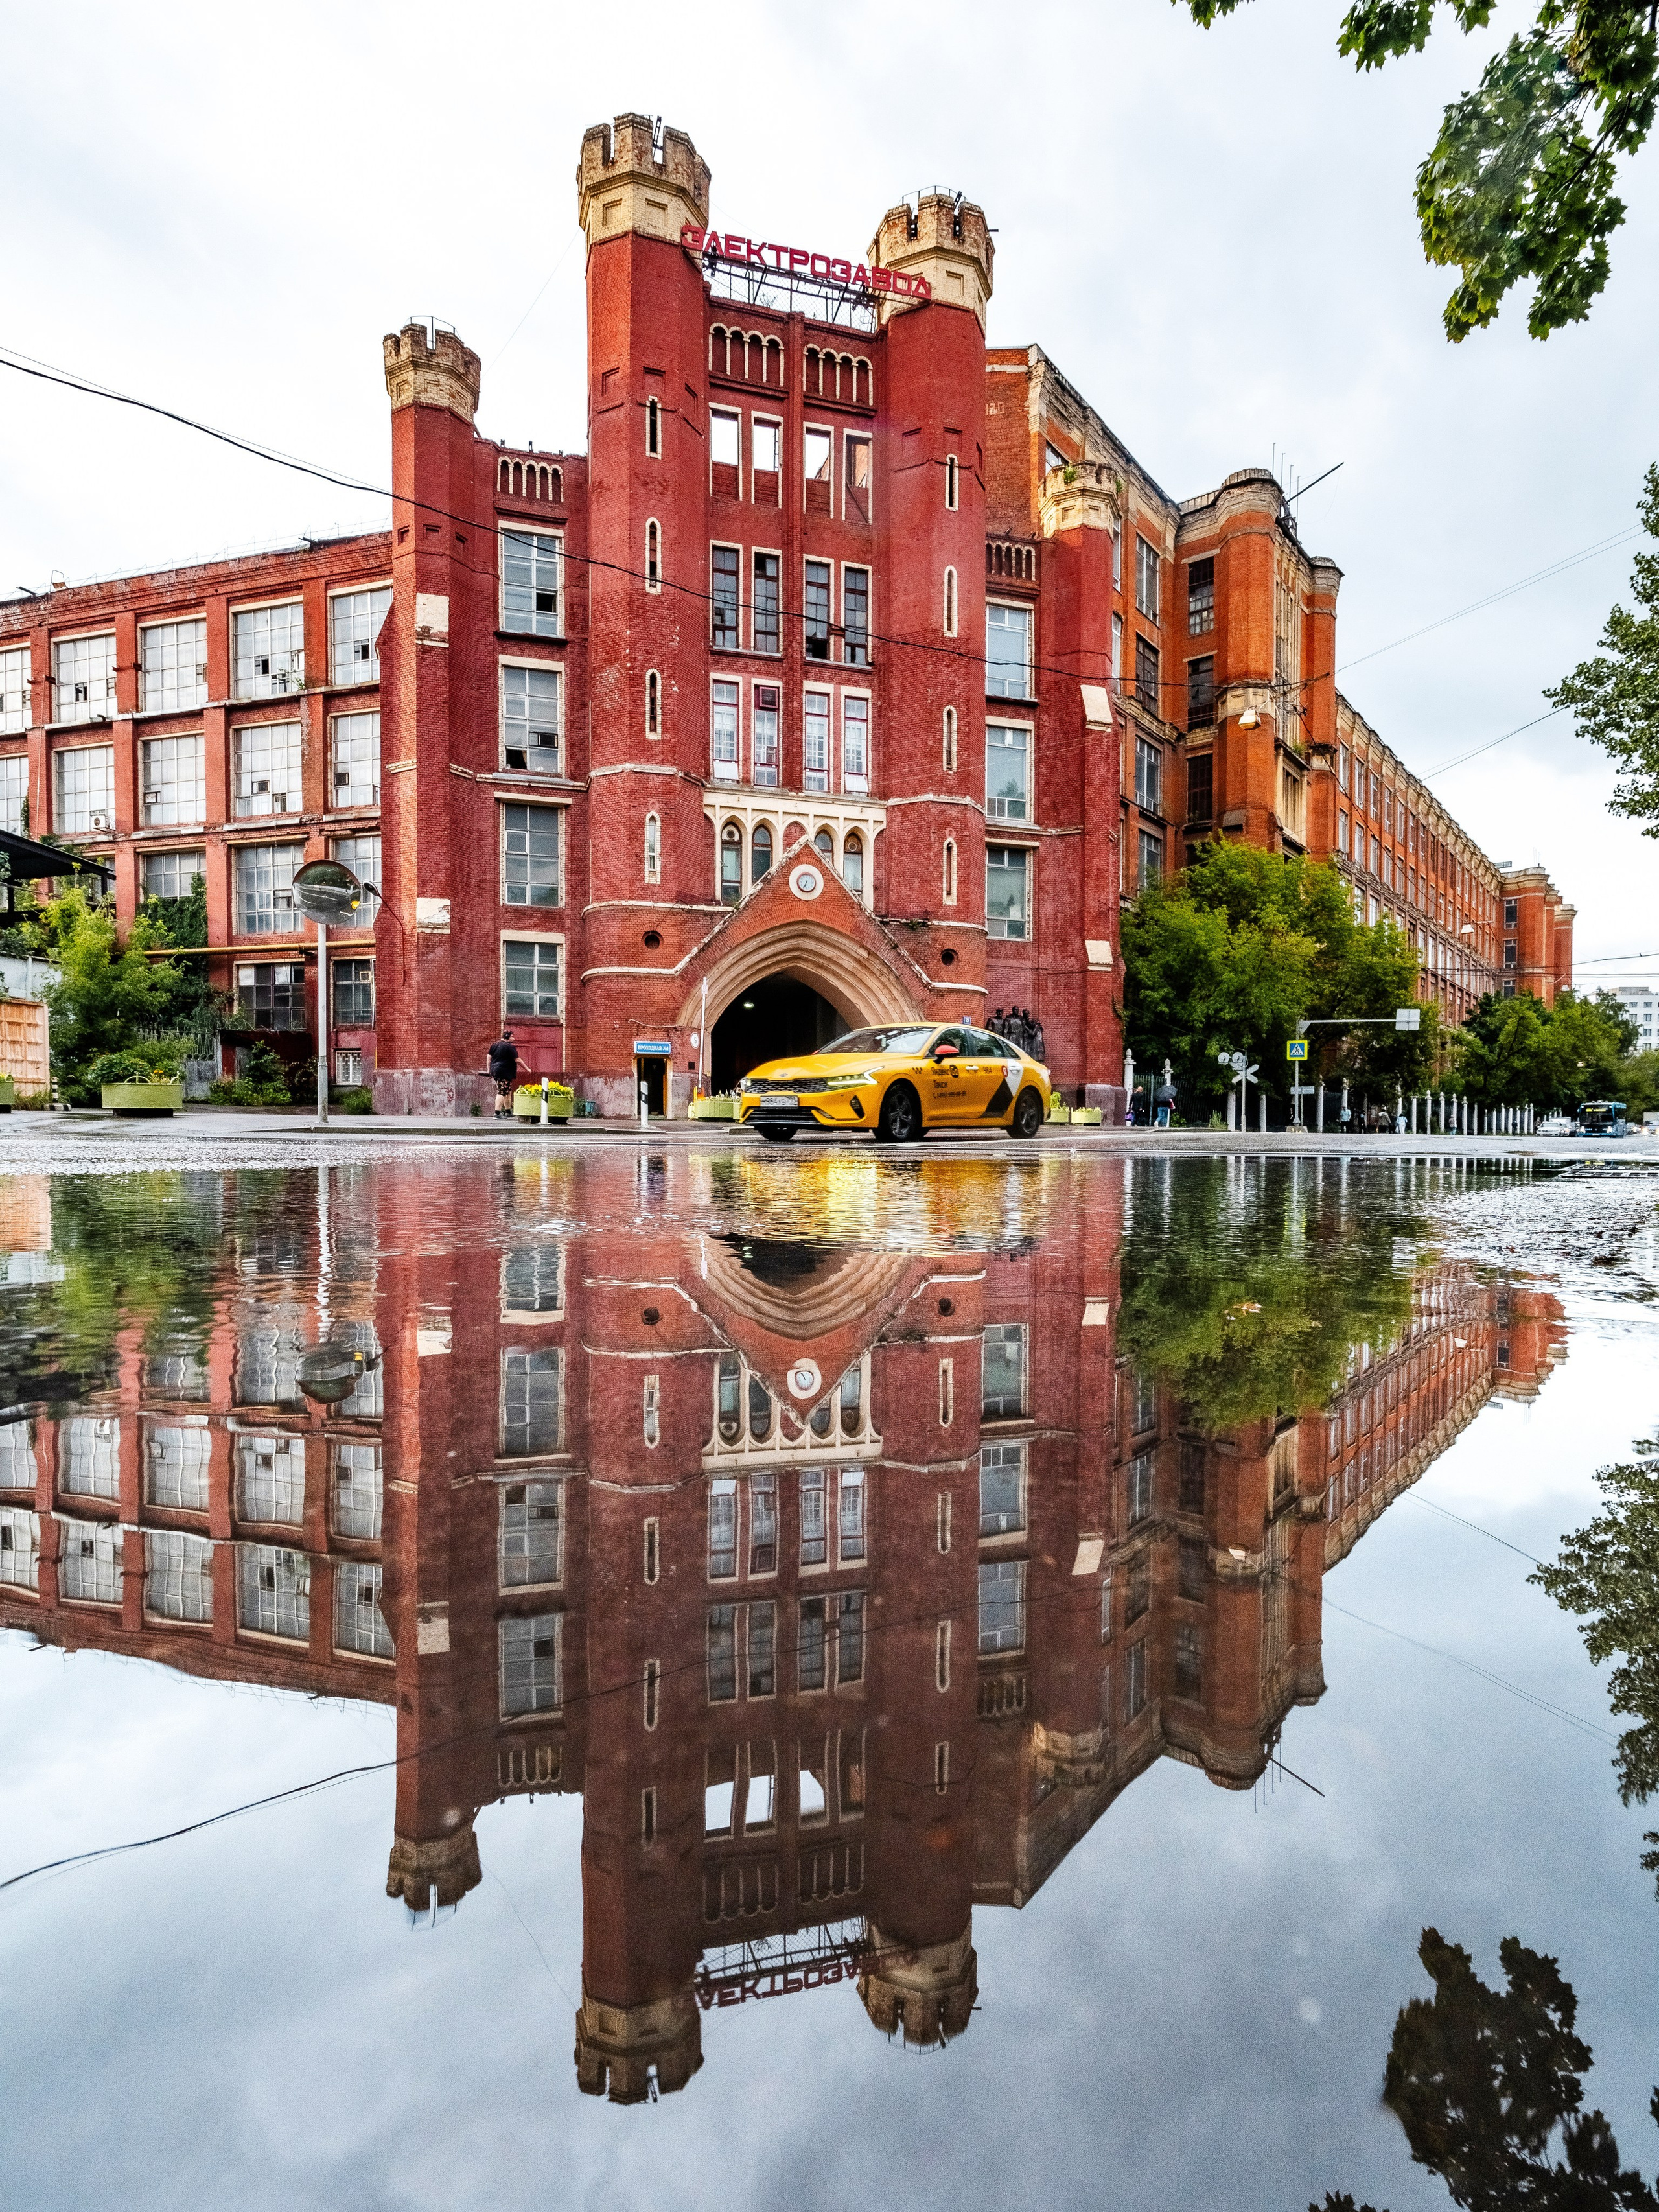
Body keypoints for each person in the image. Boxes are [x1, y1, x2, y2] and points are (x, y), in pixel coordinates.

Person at [488, 1028, 520, 1118]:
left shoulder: (494, 1045)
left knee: (508, 1091)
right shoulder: (509, 1047)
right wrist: (527, 1069)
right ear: (507, 1037)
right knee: (502, 1091)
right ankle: (497, 1113)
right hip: (504, 1072)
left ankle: (508, 1112)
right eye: (512, 1037)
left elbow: (489, 1058)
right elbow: (518, 1060)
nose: (514, 1039)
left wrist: (489, 1070)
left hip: (497, 1071)